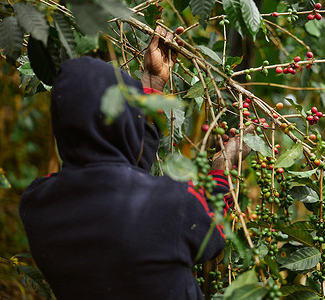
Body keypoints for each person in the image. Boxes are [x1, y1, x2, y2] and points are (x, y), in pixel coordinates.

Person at [19, 26, 252, 299]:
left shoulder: (37, 203)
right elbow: (212, 229)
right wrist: (223, 167)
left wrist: (152, 84)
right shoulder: (171, 204)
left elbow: (121, 188)